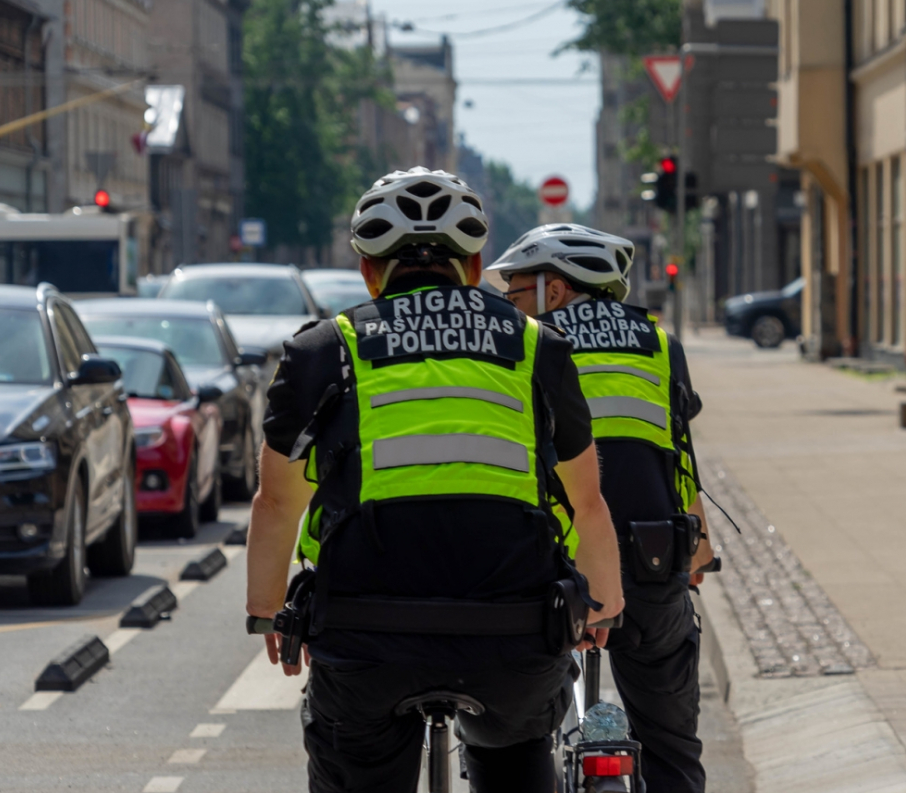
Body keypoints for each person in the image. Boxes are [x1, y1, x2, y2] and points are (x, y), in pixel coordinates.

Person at [244, 168, 623, 793]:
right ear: (475, 265)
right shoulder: (540, 348)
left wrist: (266, 613)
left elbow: (277, 502)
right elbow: (586, 502)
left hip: (366, 637)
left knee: (354, 762)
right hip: (515, 634)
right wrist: (603, 604)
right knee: (521, 748)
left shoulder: (324, 349)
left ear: (369, 270)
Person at [490, 224, 716, 793]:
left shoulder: (525, 344)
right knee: (672, 749)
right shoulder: (660, 344)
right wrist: (702, 551)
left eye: (516, 288)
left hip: (550, 569)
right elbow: (678, 457)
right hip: (653, 560)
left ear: (557, 290)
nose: (509, 299)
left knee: (514, 738)